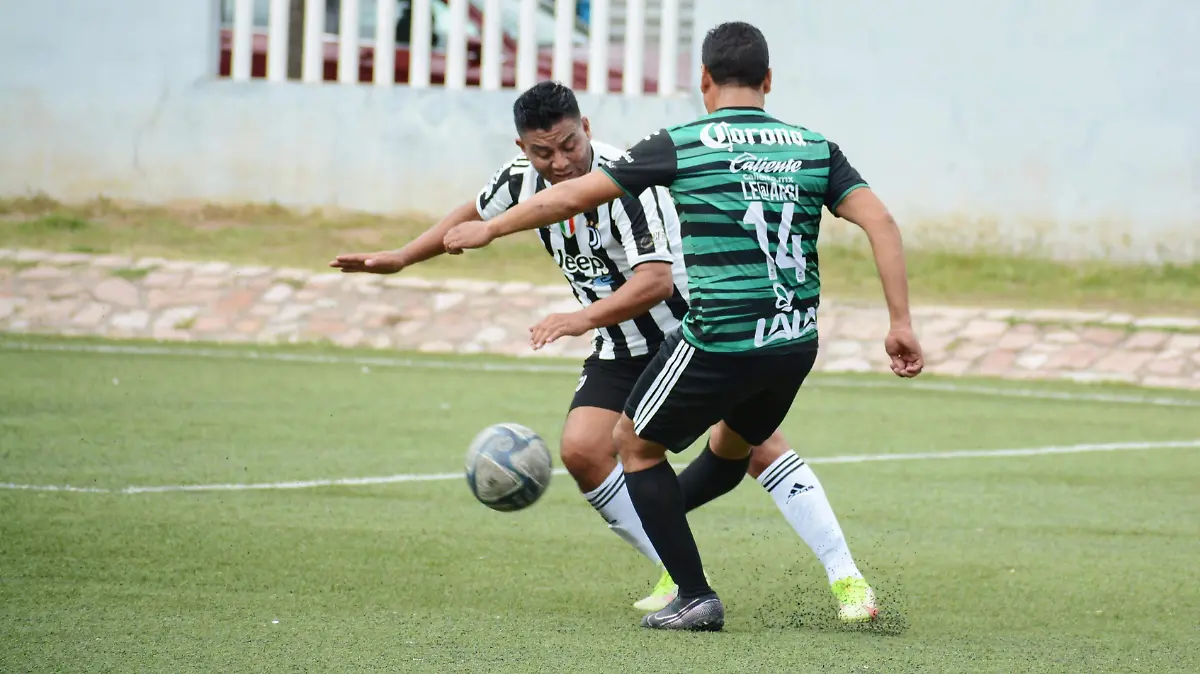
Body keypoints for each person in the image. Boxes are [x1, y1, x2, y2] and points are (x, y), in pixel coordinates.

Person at [334, 80, 881, 625]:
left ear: (587, 129)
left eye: (569, 144)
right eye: (543, 152)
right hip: (620, 345)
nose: (560, 162)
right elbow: (472, 214)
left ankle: (847, 579)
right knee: (583, 451)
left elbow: (655, 282)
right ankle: (678, 574)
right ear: (522, 148)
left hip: (687, 333)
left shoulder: (629, 179)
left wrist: (578, 319)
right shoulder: (519, 180)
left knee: (758, 447)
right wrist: (402, 257)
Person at [442, 25, 924, 632]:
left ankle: (692, 592)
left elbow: (571, 198)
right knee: (733, 449)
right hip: (794, 341)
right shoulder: (816, 148)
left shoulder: (682, 143)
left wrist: (490, 227)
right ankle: (823, 576)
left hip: (718, 337)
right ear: (768, 80)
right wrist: (900, 323)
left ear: (704, 80)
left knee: (632, 444)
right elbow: (882, 223)